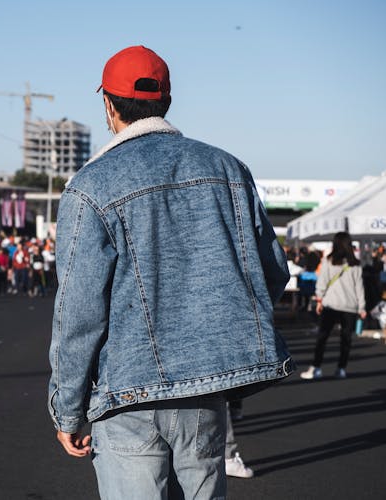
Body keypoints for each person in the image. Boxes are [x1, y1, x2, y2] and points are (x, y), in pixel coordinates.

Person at [48, 45, 292, 499]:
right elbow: (272, 274)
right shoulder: (227, 169)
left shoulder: (90, 185)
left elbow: (79, 314)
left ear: (108, 104)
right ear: (167, 101)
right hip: (205, 392)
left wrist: (67, 409)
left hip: (127, 393)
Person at [300, 231, 367, 380]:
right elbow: (359, 288)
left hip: (331, 304)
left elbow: (322, 281)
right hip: (350, 306)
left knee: (323, 337)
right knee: (346, 339)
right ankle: (341, 368)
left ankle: (316, 367)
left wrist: (319, 299)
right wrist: (362, 307)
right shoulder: (355, 264)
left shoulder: (329, 261)